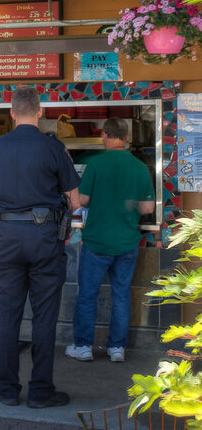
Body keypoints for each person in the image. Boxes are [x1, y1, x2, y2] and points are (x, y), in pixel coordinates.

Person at [0, 86, 80, 409]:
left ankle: (6, 389)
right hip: (44, 239)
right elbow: (75, 201)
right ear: (39, 111)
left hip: (6, 238)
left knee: (8, 314)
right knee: (44, 316)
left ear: (11, 112)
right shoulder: (54, 148)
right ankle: (40, 392)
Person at [66, 118, 154, 364]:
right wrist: (128, 204)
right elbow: (147, 207)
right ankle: (117, 348)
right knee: (122, 295)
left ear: (105, 135)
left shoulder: (95, 164)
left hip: (97, 241)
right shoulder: (139, 168)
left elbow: (81, 201)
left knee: (87, 295)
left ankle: (83, 346)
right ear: (126, 138)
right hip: (127, 242)